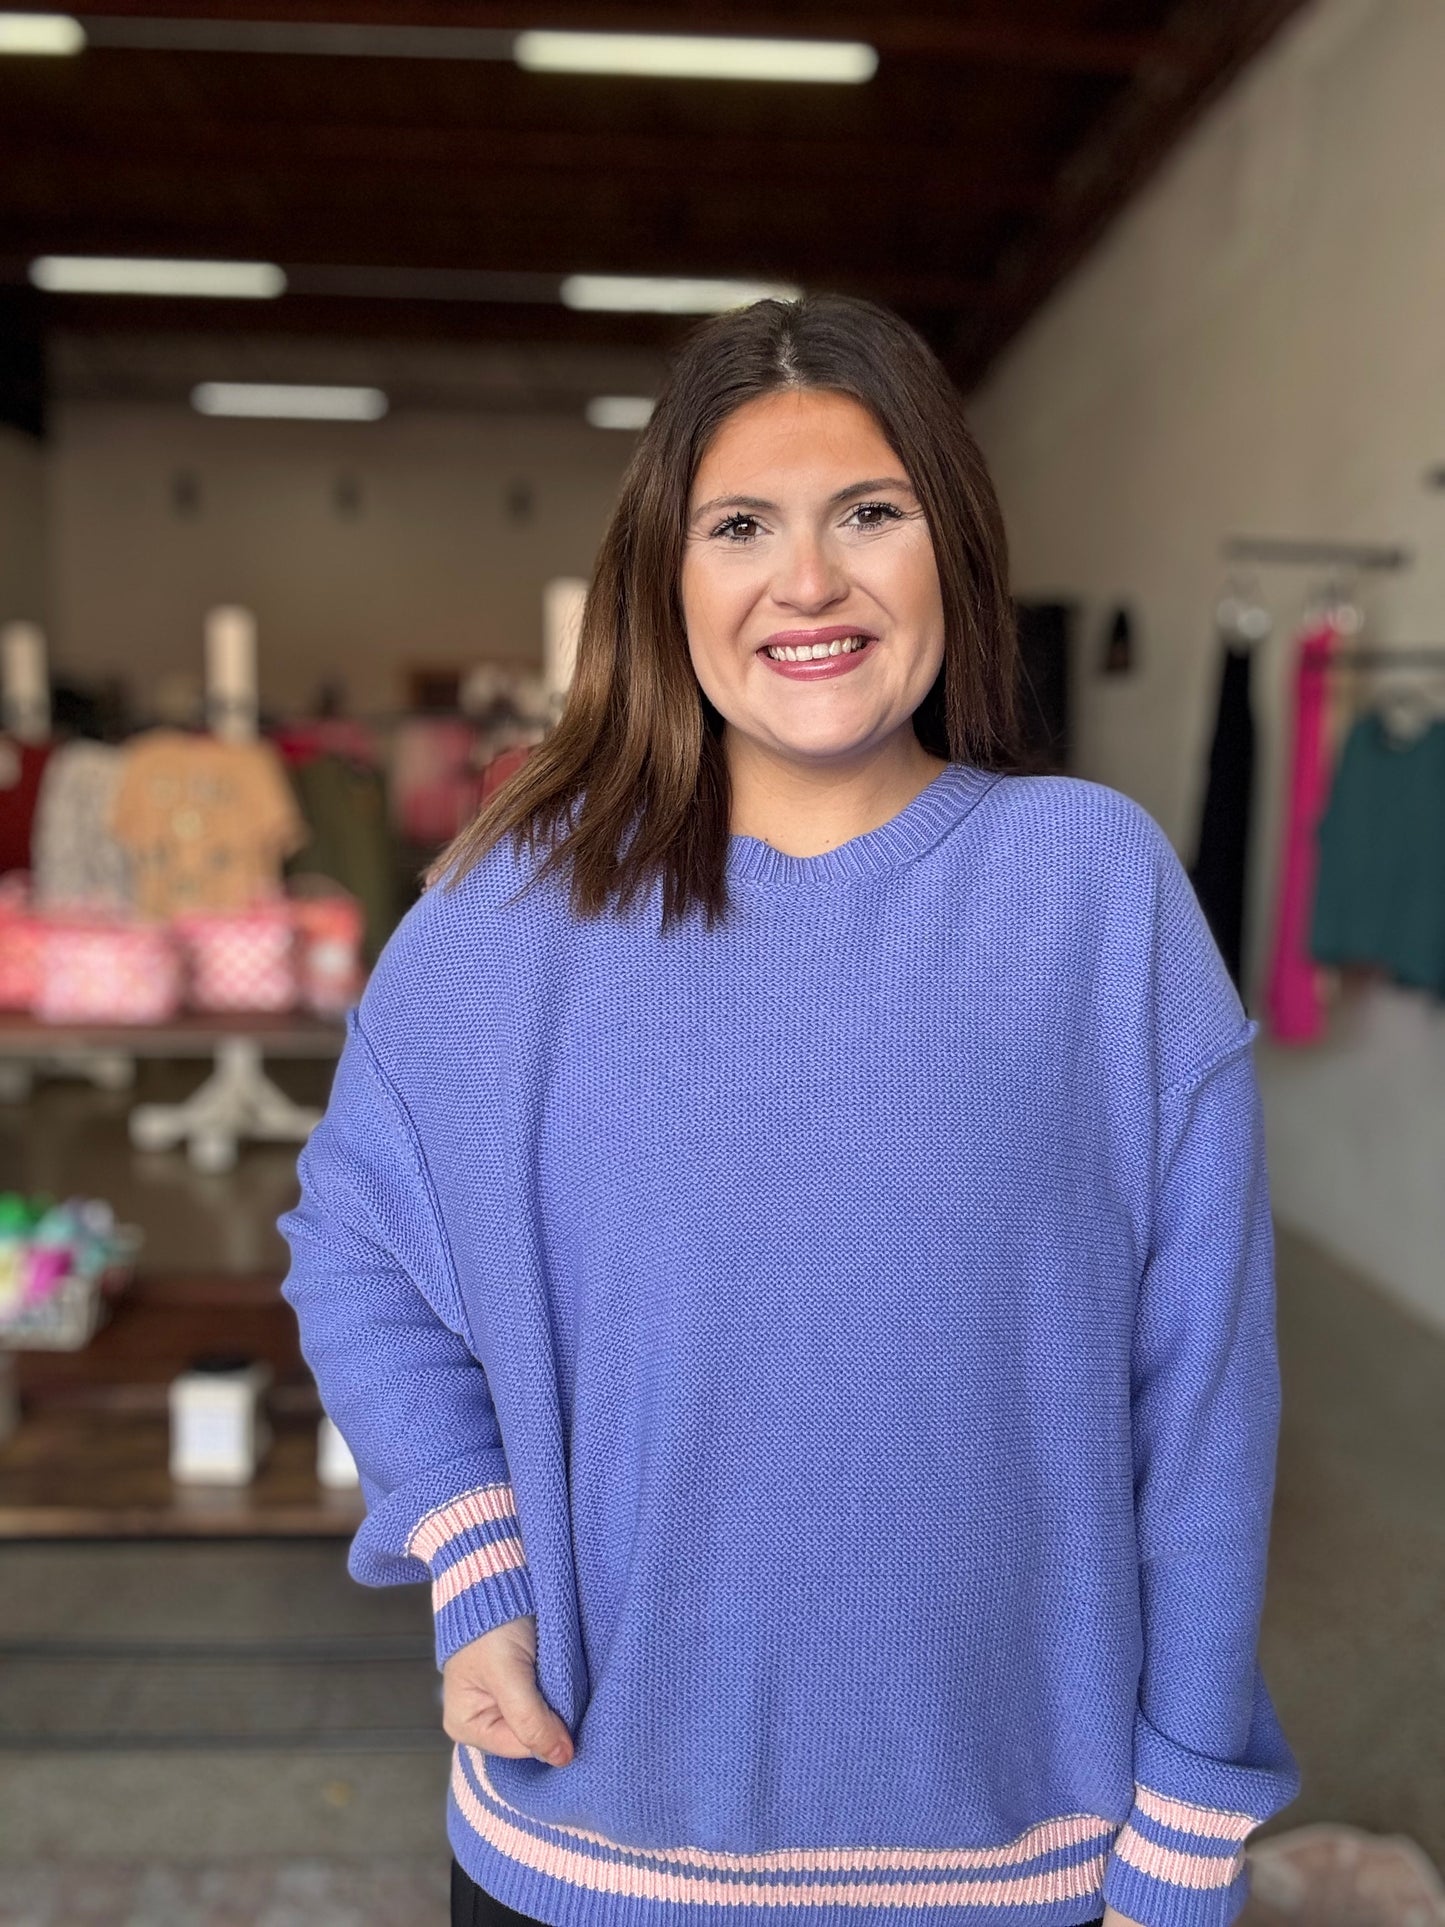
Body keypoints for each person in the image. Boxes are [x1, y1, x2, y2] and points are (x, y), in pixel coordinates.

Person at [278, 293, 1300, 1927]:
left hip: (1017, 1865)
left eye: (868, 515)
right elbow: (354, 1250)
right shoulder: (510, 912)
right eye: (739, 524)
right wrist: (478, 1570)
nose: (806, 581)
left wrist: (1184, 1826)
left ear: (950, 552)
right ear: (664, 580)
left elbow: (1203, 1403)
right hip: (585, 1847)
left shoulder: (1091, 892)